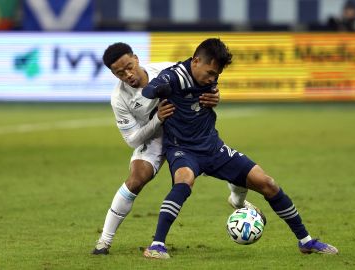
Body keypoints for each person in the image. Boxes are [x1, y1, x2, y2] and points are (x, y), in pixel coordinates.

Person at [141, 38, 339, 259]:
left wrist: (216, 95)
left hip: (213, 148)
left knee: (268, 183)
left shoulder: (208, 79)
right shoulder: (174, 75)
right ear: (196, 61)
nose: (213, 79)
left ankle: (305, 241)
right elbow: (148, 90)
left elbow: (209, 94)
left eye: (216, 75)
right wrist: (160, 89)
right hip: (183, 149)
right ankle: (156, 245)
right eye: (210, 73)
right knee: (185, 180)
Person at [92, 42, 259, 255]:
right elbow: (133, 140)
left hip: (186, 134)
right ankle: (104, 242)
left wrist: (217, 96)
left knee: (225, 162)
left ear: (136, 58)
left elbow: (205, 81)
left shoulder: (167, 70)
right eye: (119, 73)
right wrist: (158, 120)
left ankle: (238, 200)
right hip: (154, 137)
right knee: (136, 179)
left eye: (129, 66)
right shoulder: (119, 99)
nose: (128, 74)